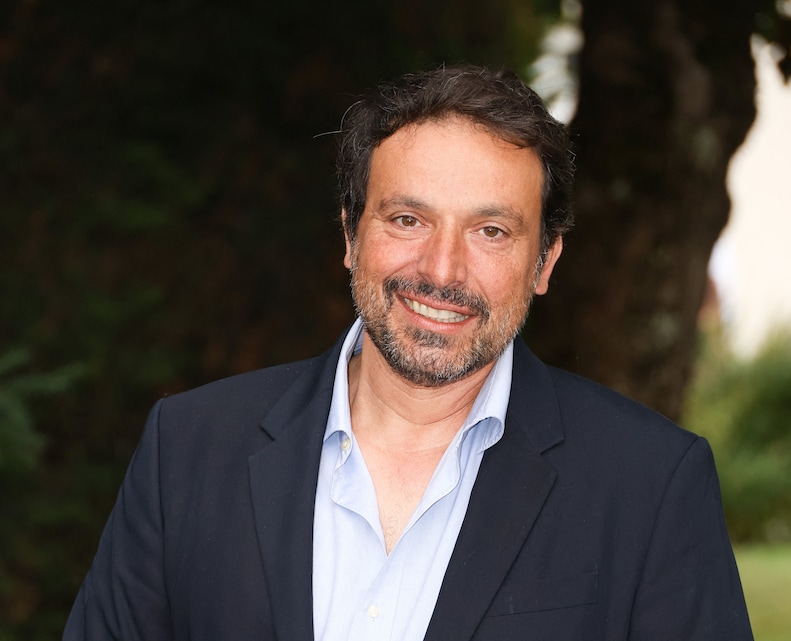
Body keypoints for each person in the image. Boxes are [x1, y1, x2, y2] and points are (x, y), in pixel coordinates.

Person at [64, 65, 753, 641]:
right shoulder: (187, 450)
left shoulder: (651, 486)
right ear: (350, 235)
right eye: (407, 219)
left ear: (545, 261)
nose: (442, 269)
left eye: (490, 230)